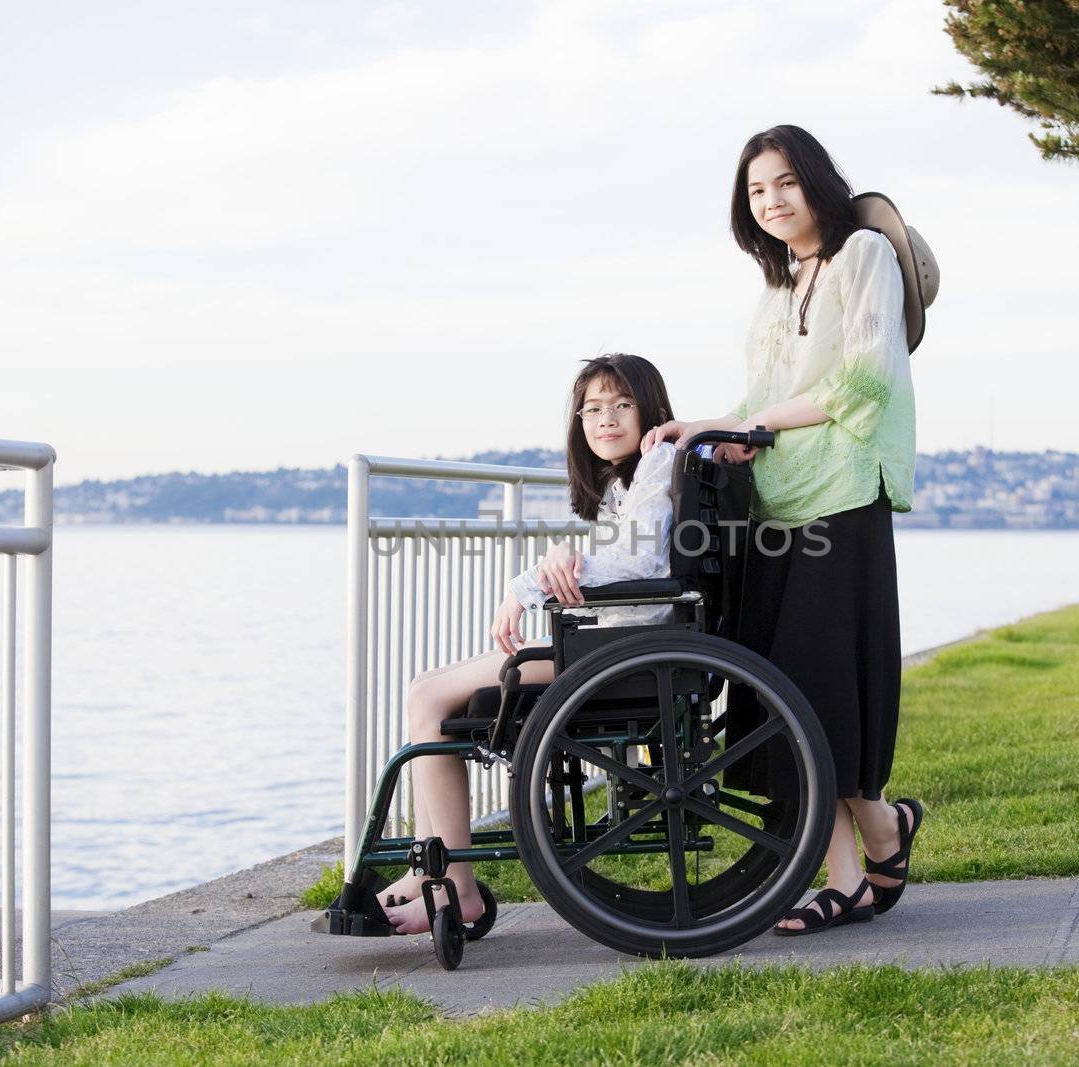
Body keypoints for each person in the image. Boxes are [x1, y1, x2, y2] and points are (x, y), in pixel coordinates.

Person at [642, 124, 924, 935]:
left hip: (842, 492)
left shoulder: (862, 255)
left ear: (817, 183)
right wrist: (703, 427)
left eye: (783, 183)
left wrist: (759, 420)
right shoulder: (777, 286)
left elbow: (865, 376)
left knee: (828, 689)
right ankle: (878, 836)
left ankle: (850, 872)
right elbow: (761, 392)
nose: (770, 201)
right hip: (777, 499)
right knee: (792, 695)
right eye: (756, 191)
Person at [379, 353, 680, 934]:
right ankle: (431, 873)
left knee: (427, 697)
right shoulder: (638, 475)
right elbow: (630, 561)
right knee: (428, 693)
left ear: (651, 410)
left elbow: (642, 561)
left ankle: (452, 886)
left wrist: (532, 581)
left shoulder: (658, 464)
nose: (606, 419)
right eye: (592, 408)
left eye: (622, 405)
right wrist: (563, 563)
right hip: (619, 643)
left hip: (628, 652)